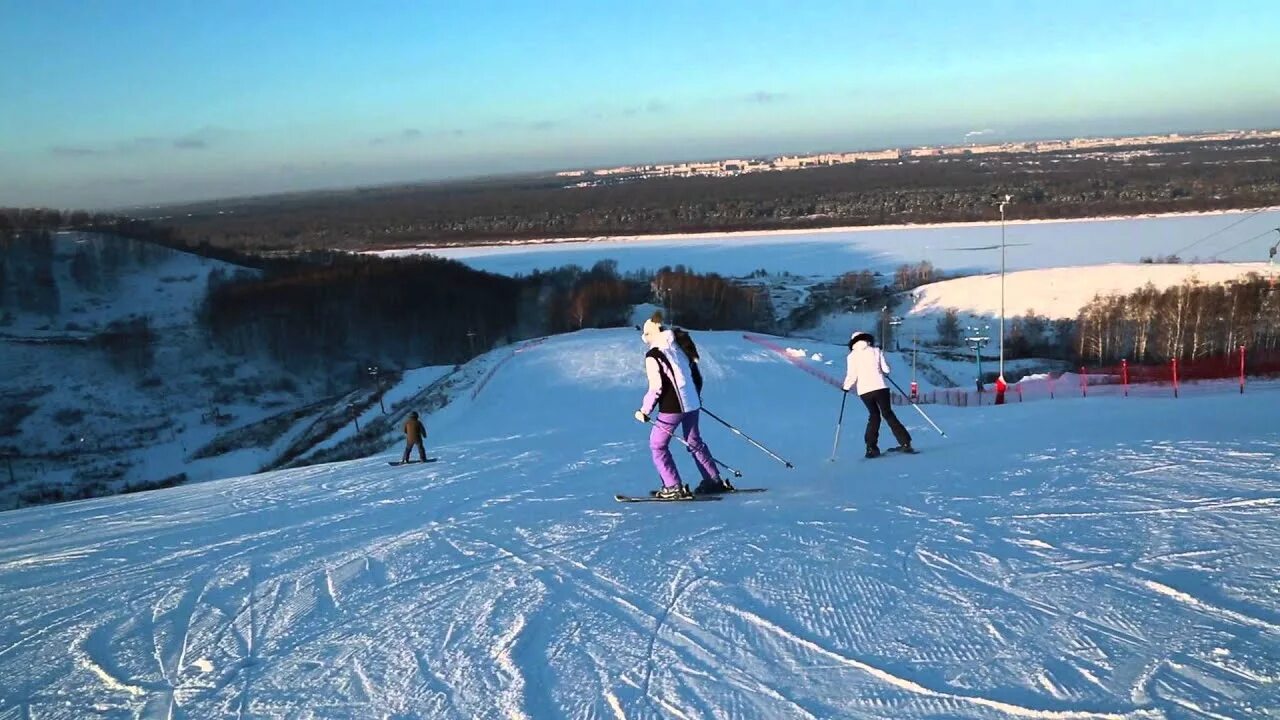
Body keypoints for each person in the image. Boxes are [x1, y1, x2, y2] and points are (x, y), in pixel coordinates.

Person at [634, 312, 732, 498]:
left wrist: (644, 411)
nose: (644, 338)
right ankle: (713, 480)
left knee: (658, 445)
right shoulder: (678, 347)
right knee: (694, 441)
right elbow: (695, 374)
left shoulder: (654, 355)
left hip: (673, 408)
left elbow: (656, 387)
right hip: (691, 404)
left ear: (652, 333)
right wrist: (695, 397)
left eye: (646, 334)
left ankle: (672, 487)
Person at [842, 331, 913, 458]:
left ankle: (871, 448)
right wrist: (883, 372)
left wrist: (846, 387)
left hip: (864, 391)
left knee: (874, 416)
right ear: (867, 340)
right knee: (888, 414)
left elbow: (852, 375)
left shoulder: (851, 356)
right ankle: (905, 443)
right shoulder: (875, 351)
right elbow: (886, 370)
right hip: (880, 388)